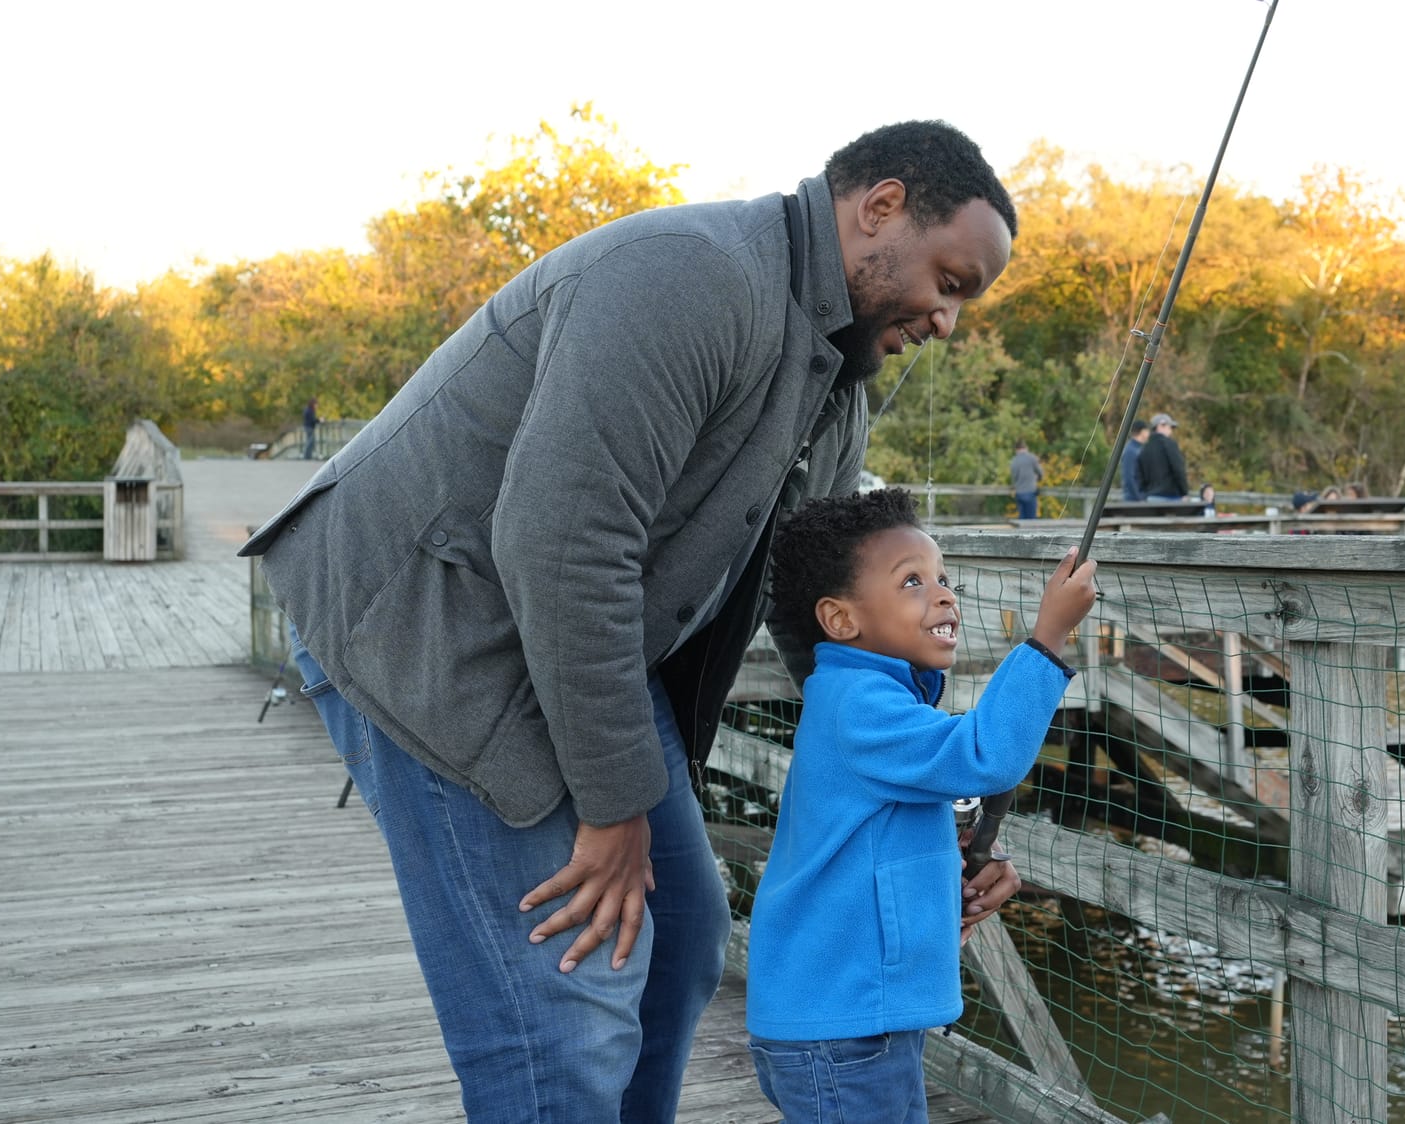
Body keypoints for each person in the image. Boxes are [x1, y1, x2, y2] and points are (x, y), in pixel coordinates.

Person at [237, 120, 1023, 1123]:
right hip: (428, 619)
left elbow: (818, 620)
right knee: (566, 1004)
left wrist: (930, 803)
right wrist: (612, 811)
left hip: (563, 626)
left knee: (682, 932)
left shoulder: (832, 383)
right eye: (950, 280)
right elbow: (560, 544)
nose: (948, 321)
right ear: (878, 207)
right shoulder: (687, 277)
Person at [745, 488, 1097, 1124]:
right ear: (841, 619)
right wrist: (1048, 637)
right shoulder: (858, 705)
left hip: (859, 1017)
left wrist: (951, 874)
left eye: (943, 578)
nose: (943, 595)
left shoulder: (875, 700)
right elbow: (985, 756)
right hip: (843, 1026)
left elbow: (880, 845)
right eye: (912, 582)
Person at [1138, 412, 1188, 501]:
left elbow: (1139, 476)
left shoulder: (1143, 448)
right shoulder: (1169, 444)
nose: (1171, 431)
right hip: (1170, 497)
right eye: (1169, 427)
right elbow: (1178, 469)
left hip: (1151, 498)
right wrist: (1184, 492)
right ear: (1160, 426)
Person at [1008, 439, 1042, 520]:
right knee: (1031, 520)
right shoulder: (1032, 458)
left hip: (1019, 493)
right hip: (1030, 492)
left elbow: (1014, 478)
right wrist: (1038, 479)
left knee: (1022, 519)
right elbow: (1040, 472)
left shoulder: (1014, 461)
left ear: (1016, 449)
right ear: (1026, 447)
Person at [1119, 419, 1150, 502]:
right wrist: (1139, 499)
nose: (1148, 434)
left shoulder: (1140, 448)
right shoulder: (1130, 450)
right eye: (1147, 431)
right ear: (1142, 432)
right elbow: (1129, 478)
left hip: (1141, 498)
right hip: (1133, 500)